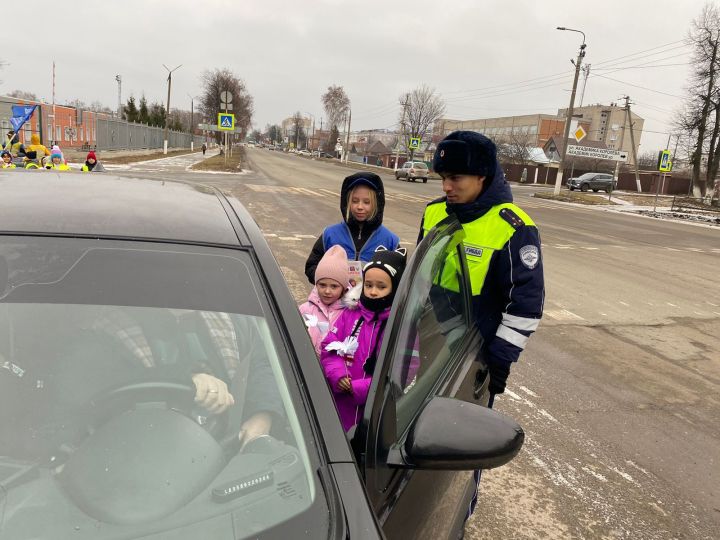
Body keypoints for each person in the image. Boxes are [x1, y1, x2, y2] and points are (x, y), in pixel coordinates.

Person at [418, 130, 544, 518]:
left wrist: (498, 363)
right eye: (443, 177)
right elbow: (420, 282)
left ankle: (460, 510)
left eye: (456, 178)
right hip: (428, 346)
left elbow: (525, 304)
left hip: (473, 357)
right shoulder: (434, 212)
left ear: (483, 177)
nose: (446, 186)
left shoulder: (513, 227)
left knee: (462, 442)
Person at [320, 246, 407, 431]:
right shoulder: (350, 314)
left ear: (396, 288)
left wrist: (360, 388)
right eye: (369, 285)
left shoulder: (399, 325)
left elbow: (401, 372)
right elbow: (329, 346)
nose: (373, 292)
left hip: (374, 417)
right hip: (340, 407)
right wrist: (338, 374)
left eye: (381, 287)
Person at [305, 172, 400, 285]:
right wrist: (330, 283)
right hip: (334, 302)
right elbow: (311, 266)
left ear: (377, 204)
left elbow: (400, 279)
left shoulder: (390, 241)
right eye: (355, 201)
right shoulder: (330, 235)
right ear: (347, 202)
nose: (360, 207)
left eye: (366, 202)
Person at [298, 245, 353, 356]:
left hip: (338, 371)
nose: (327, 291)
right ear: (316, 284)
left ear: (344, 287)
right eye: (322, 285)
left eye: (334, 286)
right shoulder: (304, 310)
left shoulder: (350, 313)